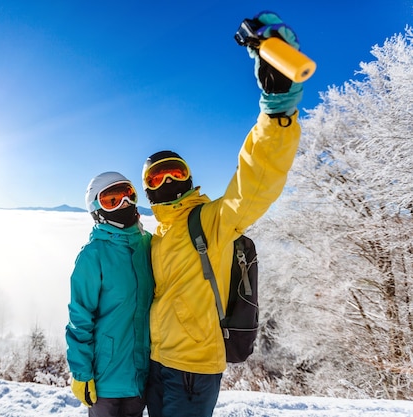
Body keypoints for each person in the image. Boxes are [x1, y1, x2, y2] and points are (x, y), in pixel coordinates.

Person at [142, 12, 305, 417]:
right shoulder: (156, 236)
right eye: (156, 177)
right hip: (156, 366)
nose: (166, 182)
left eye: (174, 172)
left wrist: (276, 112)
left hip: (193, 373)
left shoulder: (212, 220)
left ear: (189, 178)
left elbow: (255, 182)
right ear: (147, 189)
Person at [65, 171, 154, 417]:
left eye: (128, 195)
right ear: (97, 209)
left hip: (140, 375)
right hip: (105, 380)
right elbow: (80, 318)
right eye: (112, 200)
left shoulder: (149, 245)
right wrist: (82, 373)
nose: (124, 203)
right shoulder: (93, 255)